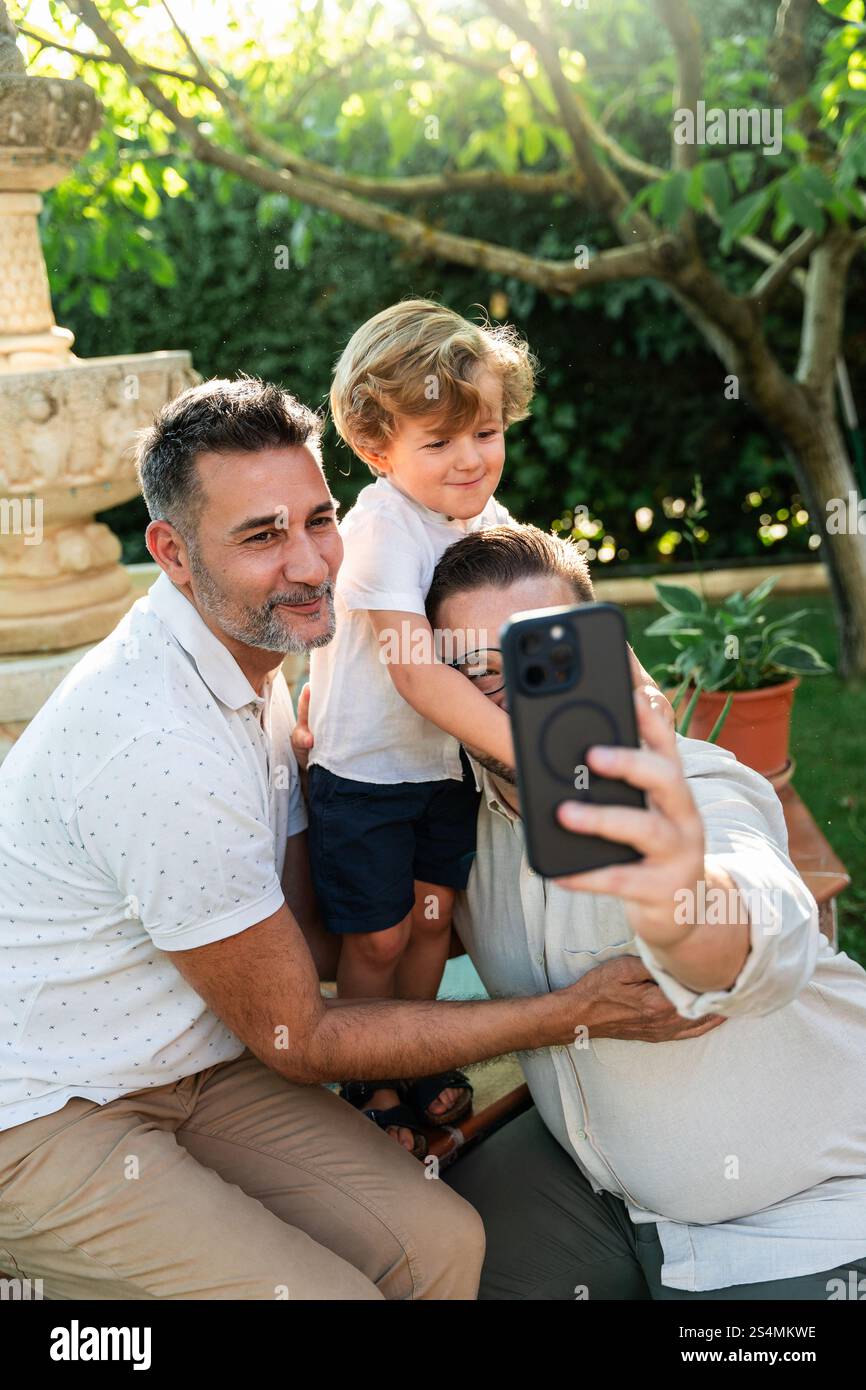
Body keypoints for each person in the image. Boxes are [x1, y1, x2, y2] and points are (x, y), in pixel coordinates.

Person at [0, 377, 708, 1301]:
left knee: (444, 1242)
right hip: (46, 1110)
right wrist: (573, 1009)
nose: (310, 562)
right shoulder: (157, 743)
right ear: (172, 552)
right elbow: (303, 1033)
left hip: (199, 1066)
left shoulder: (256, 675)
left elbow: (313, 940)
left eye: (319, 520)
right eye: (261, 536)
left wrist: (438, 900)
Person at [423, 522, 866, 1300]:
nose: (515, 697)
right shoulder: (462, 828)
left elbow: (761, 927)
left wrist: (676, 900)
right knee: (402, 1262)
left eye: (538, 662)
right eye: (476, 672)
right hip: (596, 1191)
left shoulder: (696, 788)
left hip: (800, 1216)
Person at [305, 298, 670, 1153]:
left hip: (443, 773)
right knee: (381, 929)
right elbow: (416, 671)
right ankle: (368, 1074)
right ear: (375, 448)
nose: (471, 461)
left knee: (436, 919)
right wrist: (534, 753)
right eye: (439, 443)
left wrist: (636, 684)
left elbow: (560, 614)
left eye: (487, 433)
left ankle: (422, 1049)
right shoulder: (383, 530)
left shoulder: (488, 521)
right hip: (367, 775)